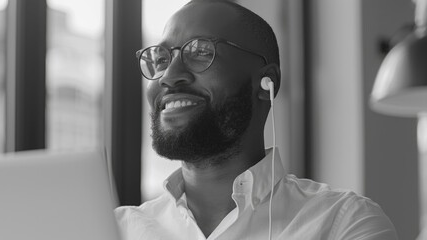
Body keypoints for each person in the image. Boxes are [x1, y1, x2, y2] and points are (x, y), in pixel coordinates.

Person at [115, 0, 398, 239]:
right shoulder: (116, 229)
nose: (168, 76)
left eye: (200, 52)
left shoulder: (345, 223)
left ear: (267, 82)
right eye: (161, 59)